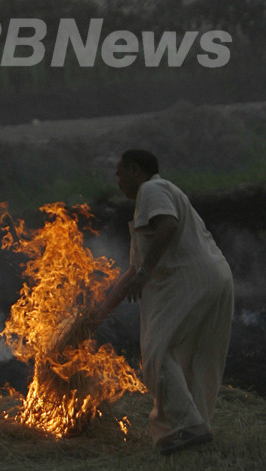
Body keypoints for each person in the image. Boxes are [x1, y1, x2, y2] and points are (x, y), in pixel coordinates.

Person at [92, 148, 234, 455]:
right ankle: (194, 428)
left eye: (120, 174)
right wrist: (101, 312)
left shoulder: (152, 188)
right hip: (213, 278)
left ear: (136, 172)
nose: (117, 182)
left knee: (156, 353)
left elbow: (167, 225)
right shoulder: (150, 201)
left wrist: (146, 272)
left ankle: (186, 426)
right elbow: (131, 271)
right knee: (193, 357)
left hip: (191, 280)